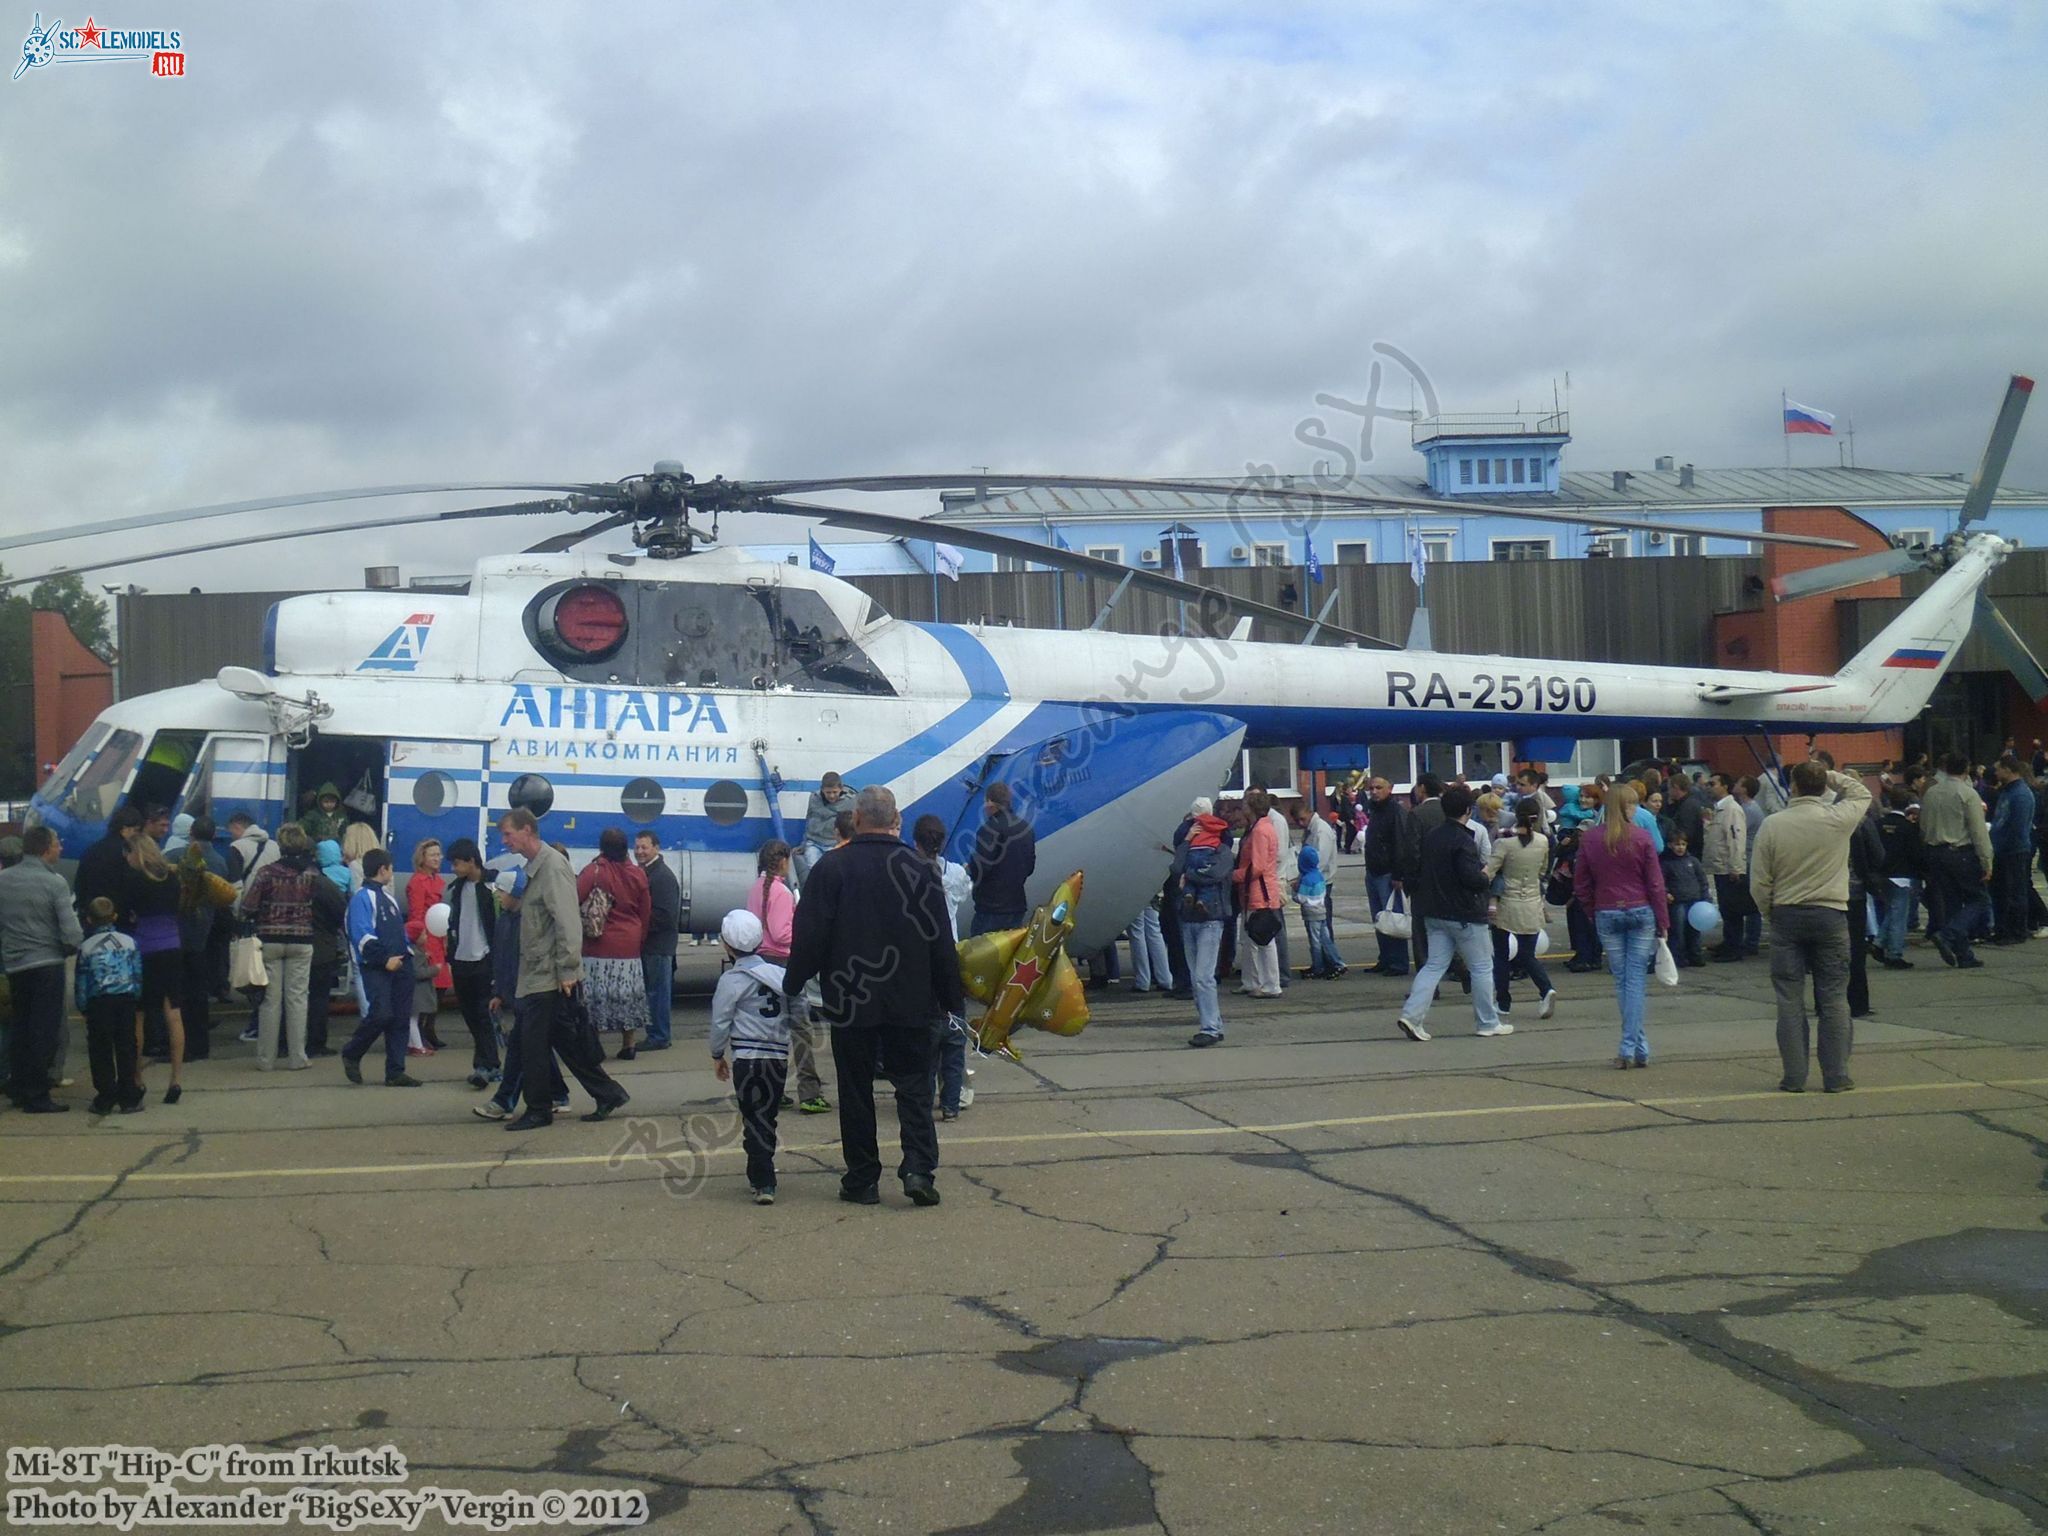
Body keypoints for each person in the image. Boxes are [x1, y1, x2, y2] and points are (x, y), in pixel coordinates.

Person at [783, 785, 962, 1207]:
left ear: (858, 818)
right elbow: (941, 942)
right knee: (914, 1088)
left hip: (851, 1002)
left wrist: (793, 983)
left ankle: (862, 1178)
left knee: (857, 1090)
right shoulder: (920, 871)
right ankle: (918, 1169)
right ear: (894, 818)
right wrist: (952, 998)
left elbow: (811, 935)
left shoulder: (832, 869)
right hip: (913, 1001)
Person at [497, 809, 629, 1128]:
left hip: (549, 975)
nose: (505, 841)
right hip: (538, 972)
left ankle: (539, 1109)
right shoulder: (535, 867)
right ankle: (608, 1092)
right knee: (565, 1043)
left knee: (532, 1044)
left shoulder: (552, 868)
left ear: (527, 830)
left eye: (508, 834)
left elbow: (568, 922)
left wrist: (568, 970)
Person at [1750, 762, 1872, 1093]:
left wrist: (1769, 911)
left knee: (1789, 998)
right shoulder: (1838, 819)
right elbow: (1862, 792)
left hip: (1787, 913)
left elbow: (1760, 880)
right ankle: (1836, 1074)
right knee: (1833, 996)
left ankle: (1794, 1076)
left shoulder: (1773, 825)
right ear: (1823, 788)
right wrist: (1830, 774)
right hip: (1830, 913)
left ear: (1793, 786)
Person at [1395, 786, 1508, 1043]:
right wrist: (1486, 876)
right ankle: (1488, 1021)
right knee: (1481, 967)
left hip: (1434, 911)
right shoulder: (1464, 840)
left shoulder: (1433, 835)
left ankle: (1412, 1016)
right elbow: (1470, 878)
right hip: (1464, 913)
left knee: (1433, 965)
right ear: (1469, 810)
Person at [1576, 783, 1668, 1069]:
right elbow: (1655, 883)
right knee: (1635, 978)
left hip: (1607, 909)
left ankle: (1635, 1046)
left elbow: (1581, 884)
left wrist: (1594, 910)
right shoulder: (1641, 837)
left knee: (1622, 979)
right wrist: (1663, 920)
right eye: (1632, 804)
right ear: (1625, 807)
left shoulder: (1590, 839)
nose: (1635, 808)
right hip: (1640, 908)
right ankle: (1632, 1045)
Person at [709, 908, 791, 1204]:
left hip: (747, 1058)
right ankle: (764, 1167)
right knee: (767, 1115)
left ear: (727, 945)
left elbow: (720, 1021)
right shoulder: (779, 975)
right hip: (777, 1058)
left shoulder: (731, 980)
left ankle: (763, 1179)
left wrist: (717, 1054)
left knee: (752, 1117)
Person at [1, 826, 84, 1112]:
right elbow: (72, 933)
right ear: (46, 848)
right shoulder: (55, 883)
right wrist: (67, 949)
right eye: (57, 843)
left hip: (16, 964)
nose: (60, 848)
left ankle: (19, 1085)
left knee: (21, 1026)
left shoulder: (3, 880)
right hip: (47, 963)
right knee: (44, 1030)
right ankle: (38, 1093)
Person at [747, 837, 830, 1115]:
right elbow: (782, 934)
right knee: (801, 1031)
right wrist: (805, 935)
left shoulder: (756, 888)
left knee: (771, 1031)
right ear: (782, 862)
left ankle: (771, 1088)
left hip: (761, 961)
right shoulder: (781, 893)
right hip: (784, 963)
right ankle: (809, 1092)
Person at [339, 850, 422, 1088]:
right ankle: (352, 1052)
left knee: (400, 1018)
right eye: (391, 868)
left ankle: (395, 1071)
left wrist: (409, 951)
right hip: (378, 967)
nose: (392, 873)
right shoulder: (362, 898)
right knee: (381, 1013)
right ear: (383, 869)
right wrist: (384, 959)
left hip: (401, 965)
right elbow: (361, 935)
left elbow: (399, 933)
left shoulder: (390, 899)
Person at [912, 814, 974, 1119]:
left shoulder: (909, 873)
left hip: (920, 954)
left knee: (926, 1042)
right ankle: (951, 1101)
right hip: (950, 949)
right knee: (953, 1037)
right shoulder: (956, 872)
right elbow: (963, 896)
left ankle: (921, 1100)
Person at [123, 834, 190, 1103]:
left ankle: (137, 1078)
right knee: (173, 1013)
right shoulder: (173, 879)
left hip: (145, 949)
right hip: (172, 947)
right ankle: (175, 1080)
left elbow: (127, 913)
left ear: (136, 853)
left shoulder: (134, 880)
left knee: (138, 1015)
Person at [576, 826, 652, 1059]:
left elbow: (575, 898)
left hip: (597, 945)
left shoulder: (594, 872)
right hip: (629, 945)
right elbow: (645, 911)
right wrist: (640, 938)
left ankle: (595, 1045)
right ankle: (628, 1044)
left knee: (595, 995)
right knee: (627, 995)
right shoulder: (638, 874)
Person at [1919, 752, 1994, 969]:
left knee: (1951, 902)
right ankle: (1948, 934)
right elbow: (1978, 831)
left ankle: (1963, 954)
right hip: (1960, 851)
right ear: (1966, 769)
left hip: (1935, 851)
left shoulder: (1931, 792)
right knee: (1979, 899)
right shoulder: (1968, 794)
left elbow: (1924, 826)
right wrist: (1987, 861)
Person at [75, 897, 145, 1117]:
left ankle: (105, 1096)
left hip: (99, 1002)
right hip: (125, 999)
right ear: (114, 916)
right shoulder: (129, 942)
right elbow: (137, 972)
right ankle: (129, 1095)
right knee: (126, 1046)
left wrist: (83, 1007)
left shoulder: (86, 947)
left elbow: (81, 981)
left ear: (88, 919)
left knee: (100, 1048)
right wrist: (136, 996)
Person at [1487, 799, 1556, 1017]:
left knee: (1501, 954)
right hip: (1532, 901)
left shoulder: (1504, 844)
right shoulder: (1543, 841)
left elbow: (1489, 871)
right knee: (1527, 954)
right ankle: (1546, 989)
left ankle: (1504, 1002)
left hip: (1507, 903)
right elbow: (1543, 870)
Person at [444, 838, 503, 1088]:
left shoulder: (492, 885)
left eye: (457, 863)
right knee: (469, 1014)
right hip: (461, 959)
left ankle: (487, 1064)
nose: (454, 868)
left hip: (484, 957)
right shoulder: (457, 889)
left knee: (483, 1013)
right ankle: (485, 1063)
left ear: (471, 861)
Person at [174, 817, 234, 1060]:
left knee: (182, 992)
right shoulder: (219, 862)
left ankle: (184, 1043)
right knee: (199, 992)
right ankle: (201, 1043)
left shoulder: (178, 857)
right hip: (206, 930)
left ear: (190, 833)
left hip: (180, 932)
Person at [1177, 801, 1234, 1047]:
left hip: (1211, 918)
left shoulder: (1222, 852)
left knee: (1203, 976)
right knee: (1196, 977)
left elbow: (1215, 874)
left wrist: (1188, 876)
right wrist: (1187, 841)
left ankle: (1210, 1027)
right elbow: (1175, 866)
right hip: (1189, 918)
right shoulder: (1192, 848)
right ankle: (1212, 1024)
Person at [1231, 788, 1284, 999]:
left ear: (1251, 808)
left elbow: (1259, 866)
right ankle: (1253, 980)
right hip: (1255, 890)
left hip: (1259, 891)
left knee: (1262, 938)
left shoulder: (1260, 831)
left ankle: (1270, 983)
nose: (1241, 808)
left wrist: (1233, 876)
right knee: (1252, 938)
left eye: (1244, 804)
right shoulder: (1259, 827)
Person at [968, 781, 1036, 936]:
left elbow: (981, 869)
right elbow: (1030, 867)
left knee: (982, 956)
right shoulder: (1026, 828)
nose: (985, 806)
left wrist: (969, 866)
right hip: (1017, 905)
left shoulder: (988, 829)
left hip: (991, 908)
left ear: (991, 803)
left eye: (986, 801)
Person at [634, 829, 680, 1051]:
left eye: (644, 847)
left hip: (658, 945)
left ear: (656, 848)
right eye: (637, 847)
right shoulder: (648, 873)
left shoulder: (662, 877)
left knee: (657, 992)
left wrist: (637, 922)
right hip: (652, 945)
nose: (639, 852)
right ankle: (656, 1033)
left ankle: (659, 1035)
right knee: (652, 991)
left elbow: (666, 915)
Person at [405, 838, 451, 1054]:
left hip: (438, 937)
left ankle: (429, 1028)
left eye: (438, 854)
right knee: (429, 985)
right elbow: (416, 914)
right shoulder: (417, 882)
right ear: (422, 858)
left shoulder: (437, 880)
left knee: (441, 984)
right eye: (433, 854)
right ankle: (424, 1031)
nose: (437, 858)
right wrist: (420, 943)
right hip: (426, 938)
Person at [305, 839, 350, 1058]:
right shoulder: (323, 884)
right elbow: (341, 913)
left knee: (287, 997)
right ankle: (315, 1043)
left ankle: (285, 1042)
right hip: (322, 947)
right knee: (319, 998)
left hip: (290, 942)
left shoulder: (276, 875)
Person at [1702, 774, 1753, 963]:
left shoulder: (1732, 809)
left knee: (1732, 910)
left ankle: (1734, 947)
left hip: (1728, 867)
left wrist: (1736, 866)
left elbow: (1735, 838)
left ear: (1724, 786)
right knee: (1726, 908)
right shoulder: (1719, 809)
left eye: (1713, 784)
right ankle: (1728, 941)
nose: (1709, 787)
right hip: (1719, 866)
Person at [1362, 776, 1409, 976]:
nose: (1374, 791)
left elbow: (1401, 843)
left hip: (1388, 872)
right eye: (1371, 788)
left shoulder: (1395, 811)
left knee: (1394, 917)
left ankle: (1398, 962)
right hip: (1373, 870)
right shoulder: (1375, 810)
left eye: (1379, 788)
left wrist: (1398, 874)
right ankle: (1386, 958)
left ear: (1389, 789)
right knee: (1380, 918)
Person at [1988, 754, 2036, 944]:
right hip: (2002, 849)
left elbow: (2017, 827)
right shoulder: (2007, 792)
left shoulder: (2021, 794)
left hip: (2014, 850)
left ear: (2008, 770)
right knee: (2000, 891)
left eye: (1999, 768)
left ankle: (2016, 931)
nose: (1996, 772)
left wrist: (2001, 843)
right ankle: (2002, 929)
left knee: (2014, 892)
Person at [1875, 788, 1923, 969]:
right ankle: (1894, 953)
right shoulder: (1908, 827)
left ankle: (1879, 942)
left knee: (1892, 911)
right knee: (1899, 915)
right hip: (1901, 874)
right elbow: (1915, 853)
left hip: (1882, 873)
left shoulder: (1879, 824)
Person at [1658, 833, 1709, 968]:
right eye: (1677, 844)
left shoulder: (1693, 861)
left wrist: (1705, 898)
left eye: (1683, 844)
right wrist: (1666, 893)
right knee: (1677, 932)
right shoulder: (1666, 863)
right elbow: (1661, 881)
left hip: (1695, 902)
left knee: (1695, 931)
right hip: (1677, 902)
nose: (1680, 848)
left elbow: (1702, 881)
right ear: (1670, 845)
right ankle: (1678, 958)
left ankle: (1696, 956)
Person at [1295, 844, 1343, 979]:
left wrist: (1295, 890)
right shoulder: (1319, 876)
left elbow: (1301, 898)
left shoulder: (1306, 879)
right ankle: (1338, 962)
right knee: (1325, 939)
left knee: (1315, 941)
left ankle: (1318, 966)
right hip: (1322, 910)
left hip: (1311, 913)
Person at [794, 770, 849, 885]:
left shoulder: (850, 801)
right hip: (814, 843)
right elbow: (809, 819)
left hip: (834, 844)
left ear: (841, 789)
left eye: (835, 792)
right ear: (822, 790)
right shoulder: (814, 798)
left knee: (833, 875)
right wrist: (804, 844)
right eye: (828, 792)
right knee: (814, 874)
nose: (832, 796)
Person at [225, 812, 278, 890]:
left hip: (249, 899)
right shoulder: (275, 845)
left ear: (237, 827)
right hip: (272, 897)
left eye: (231, 832)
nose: (231, 836)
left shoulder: (237, 846)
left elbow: (236, 884)